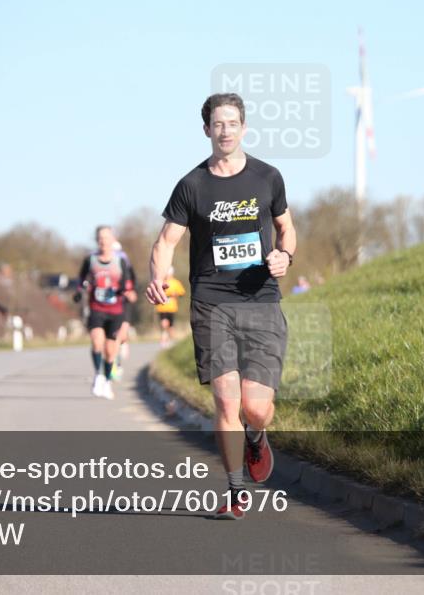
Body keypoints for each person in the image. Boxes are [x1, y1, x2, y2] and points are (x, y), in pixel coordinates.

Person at [146, 93, 296, 520]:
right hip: (212, 303)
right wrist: (158, 275)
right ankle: (234, 491)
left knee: (255, 408)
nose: (225, 130)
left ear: (244, 128)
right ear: (206, 130)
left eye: (233, 123)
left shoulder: (268, 178)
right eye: (218, 123)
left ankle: (256, 437)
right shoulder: (192, 185)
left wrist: (285, 257)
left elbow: (287, 230)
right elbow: (166, 242)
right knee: (227, 404)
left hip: (261, 301)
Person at [75, 225, 134, 400]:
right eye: (100, 238)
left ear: (112, 240)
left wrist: (127, 292)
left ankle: (107, 381)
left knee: (110, 351)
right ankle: (98, 375)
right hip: (97, 309)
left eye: (106, 238)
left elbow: (128, 282)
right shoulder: (90, 260)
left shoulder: (120, 261)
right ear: (97, 240)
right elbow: (81, 280)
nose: (103, 241)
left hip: (116, 311)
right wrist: (79, 292)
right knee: (96, 342)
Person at [112, 240, 138, 379]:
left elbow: (133, 281)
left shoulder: (125, 263)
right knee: (111, 337)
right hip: (110, 304)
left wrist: (132, 292)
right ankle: (114, 364)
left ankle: (123, 345)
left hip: (124, 303)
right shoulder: (101, 264)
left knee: (120, 335)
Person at [155, 266, 186, 348]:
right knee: (164, 323)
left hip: (172, 308)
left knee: (171, 326)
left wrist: (175, 294)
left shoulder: (176, 282)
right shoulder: (161, 282)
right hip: (162, 307)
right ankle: (163, 339)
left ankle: (171, 342)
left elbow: (182, 292)